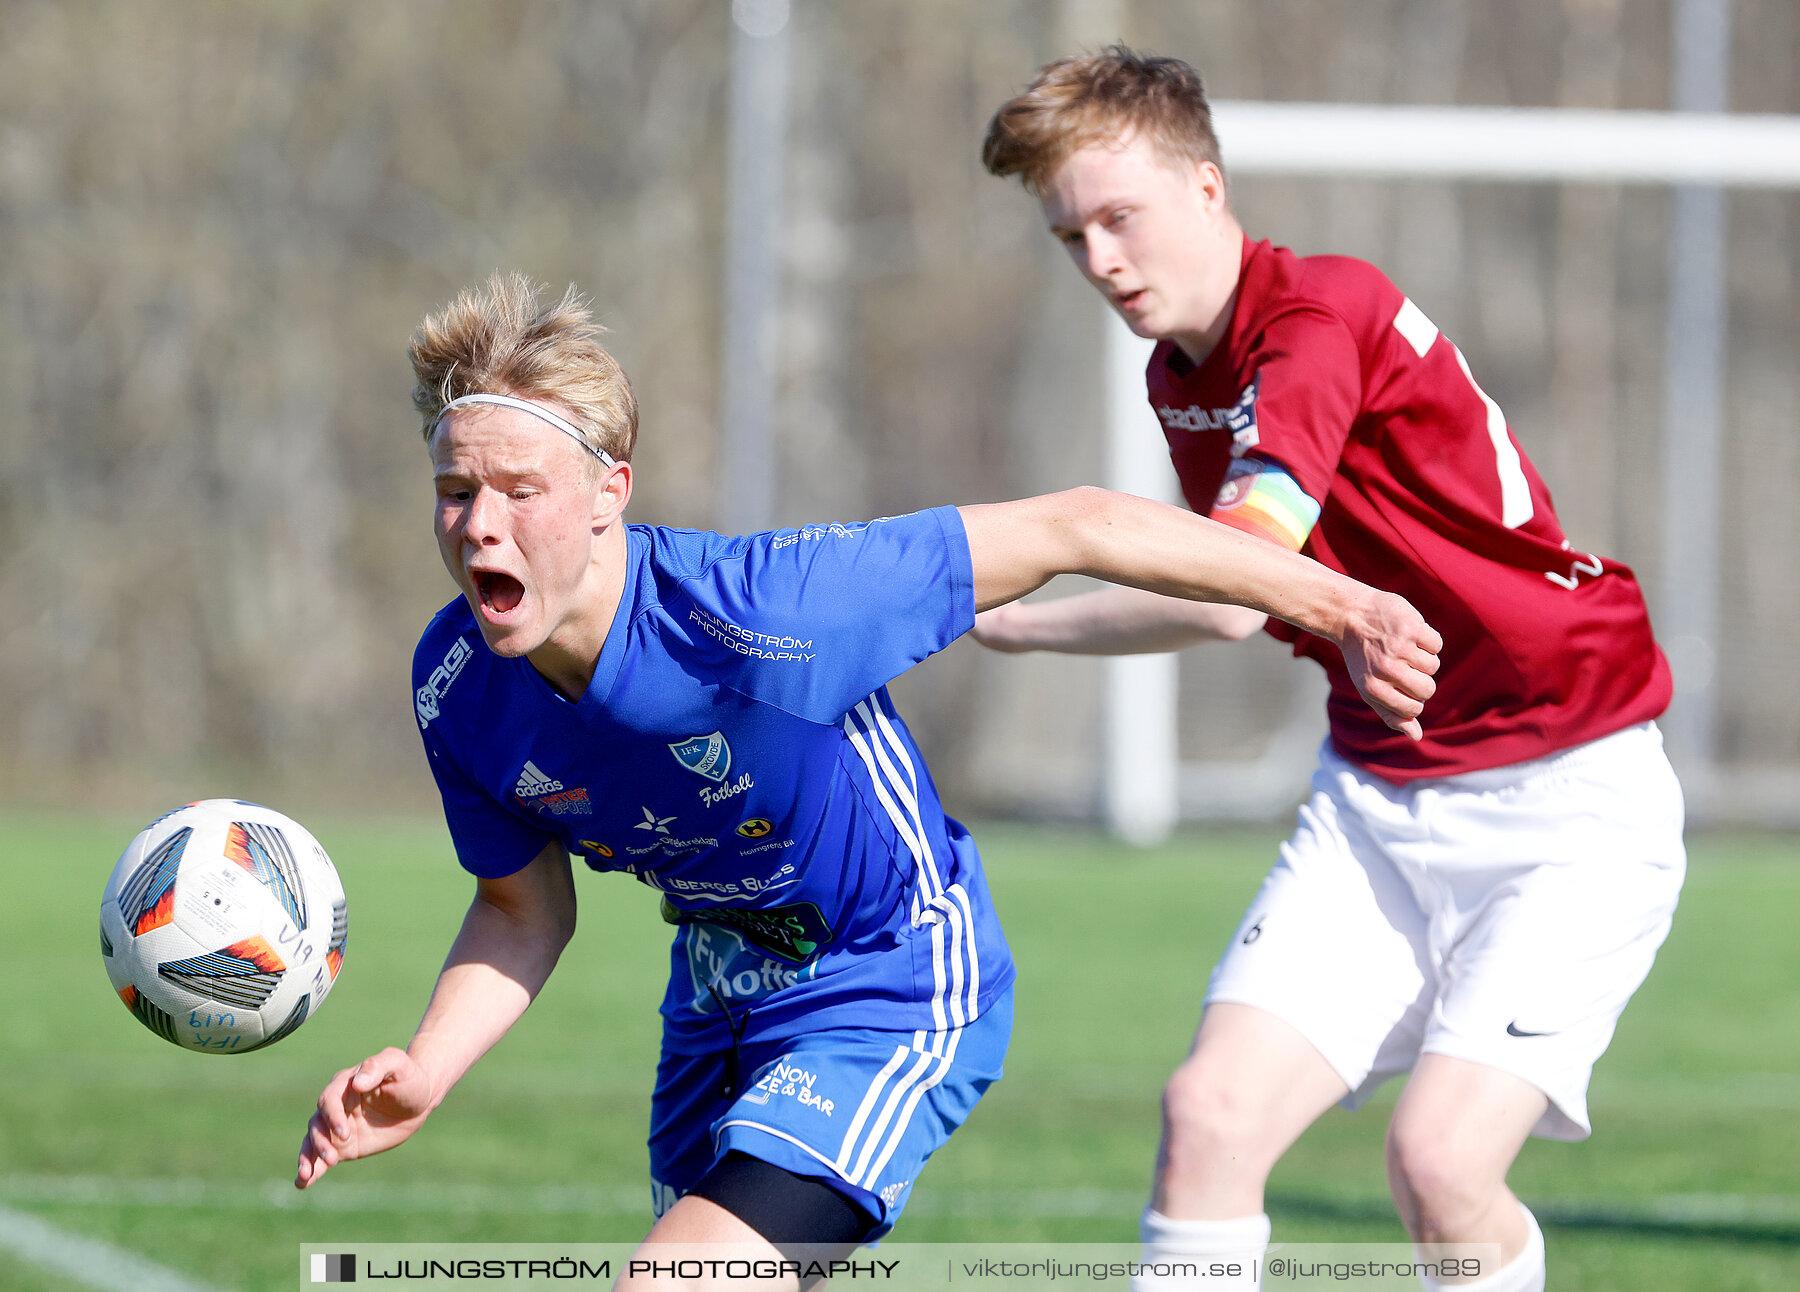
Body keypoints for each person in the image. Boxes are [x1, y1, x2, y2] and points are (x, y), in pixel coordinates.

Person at [293, 272, 1439, 1288]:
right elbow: (520, 907)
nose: (480, 525)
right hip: (718, 1005)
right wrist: (428, 1068)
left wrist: (1345, 606)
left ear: (609, 492)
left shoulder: (766, 610)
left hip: (893, 983)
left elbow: (1077, 524)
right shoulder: (456, 684)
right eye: (456, 491)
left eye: (520, 490)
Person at [978, 47, 1684, 1292]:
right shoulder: (1178, 376)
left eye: (1120, 218)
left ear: (1207, 187)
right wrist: (1012, 624)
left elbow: (1248, 559)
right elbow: (1234, 608)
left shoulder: (1318, 313)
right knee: (1209, 1117)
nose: (1101, 261)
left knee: (1441, 1165)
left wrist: (1034, 562)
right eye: (1071, 236)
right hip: (1378, 798)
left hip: (1569, 799)